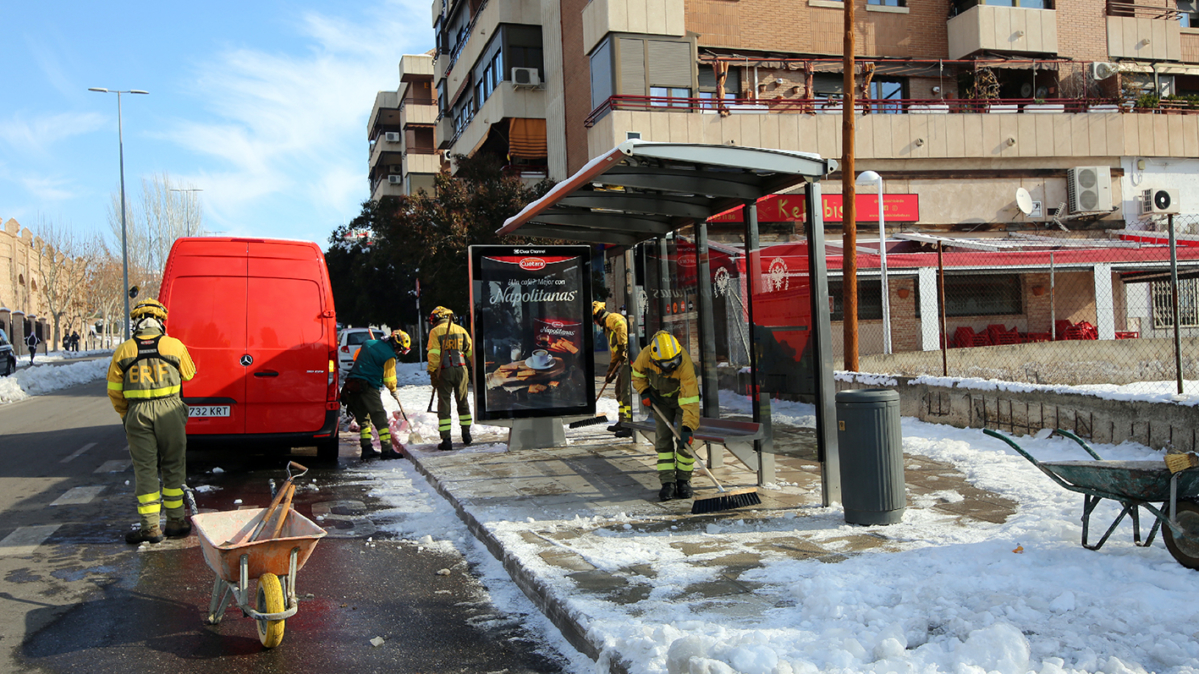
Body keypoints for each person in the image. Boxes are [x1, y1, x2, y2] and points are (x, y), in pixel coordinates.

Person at [105, 298, 197, 544]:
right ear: (160, 321)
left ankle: (150, 528)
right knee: (174, 466)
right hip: (170, 412)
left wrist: (126, 415)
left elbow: (114, 390)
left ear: (136, 322)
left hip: (138, 414)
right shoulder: (174, 346)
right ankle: (176, 522)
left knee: (145, 470)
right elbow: (189, 373)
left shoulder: (123, 350)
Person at [631, 331, 700, 502]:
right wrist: (644, 392)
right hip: (659, 400)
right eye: (666, 365)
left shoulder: (685, 363)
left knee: (685, 442)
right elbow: (637, 375)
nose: (670, 368)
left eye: (674, 363)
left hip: (681, 399)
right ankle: (667, 482)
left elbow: (690, 398)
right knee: (663, 440)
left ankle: (684, 481)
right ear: (654, 359)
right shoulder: (645, 355)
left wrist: (688, 427)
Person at [341, 329, 410, 461]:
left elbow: (357, 358)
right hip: (368, 387)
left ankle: (366, 449)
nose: (399, 352)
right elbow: (389, 379)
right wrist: (393, 390)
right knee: (380, 418)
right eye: (400, 349)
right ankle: (387, 449)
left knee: (364, 420)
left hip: (352, 386)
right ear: (395, 345)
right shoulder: (389, 356)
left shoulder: (368, 344)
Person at [426, 306, 473, 451]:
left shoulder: (435, 332)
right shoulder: (461, 330)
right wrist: (474, 368)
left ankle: (446, 440)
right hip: (461, 370)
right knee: (463, 400)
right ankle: (466, 435)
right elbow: (469, 351)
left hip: (444, 371)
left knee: (444, 404)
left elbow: (434, 354)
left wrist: (433, 372)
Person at [593, 301, 632, 438]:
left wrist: (623, 347)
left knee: (625, 392)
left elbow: (622, 325)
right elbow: (615, 352)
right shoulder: (607, 329)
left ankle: (629, 425)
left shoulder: (612, 318)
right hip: (622, 359)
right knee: (618, 391)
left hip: (628, 358)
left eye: (594, 321)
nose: (594, 324)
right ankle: (622, 421)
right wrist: (610, 372)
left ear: (598, 317)